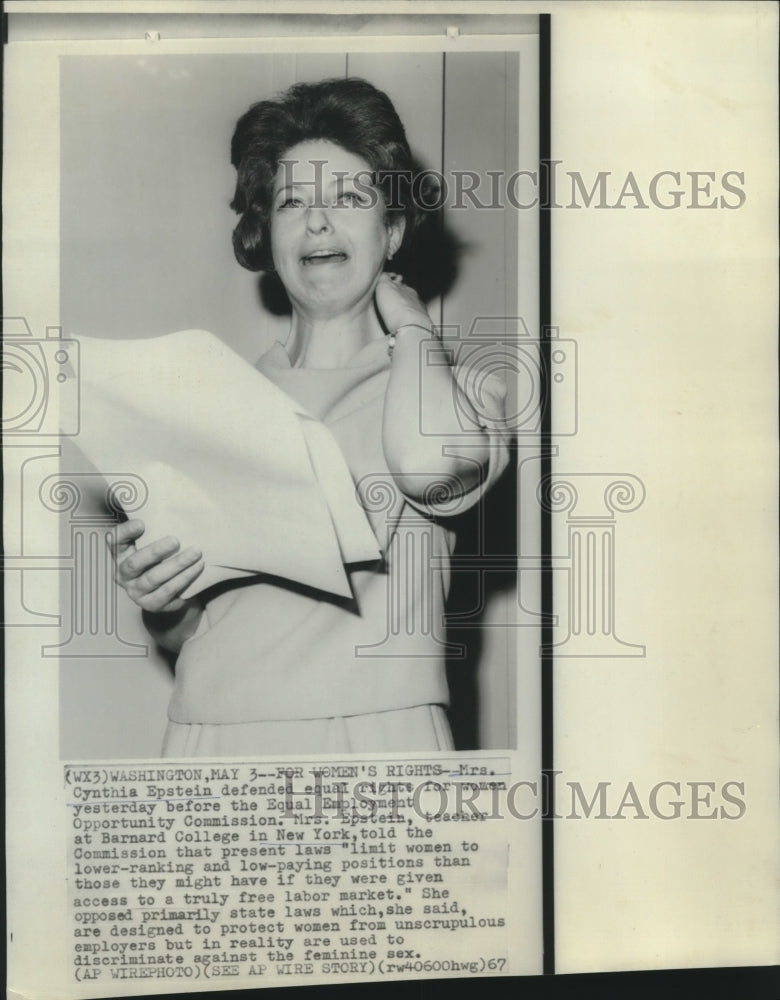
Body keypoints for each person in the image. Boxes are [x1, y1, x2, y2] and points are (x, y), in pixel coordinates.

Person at [108, 78, 510, 756]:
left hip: (382, 738)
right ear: (266, 233)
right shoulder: (205, 404)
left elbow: (426, 465)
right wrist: (163, 599)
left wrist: (411, 325)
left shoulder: (466, 392)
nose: (318, 222)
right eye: (293, 202)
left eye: (350, 199)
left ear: (394, 230)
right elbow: (188, 634)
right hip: (211, 742)